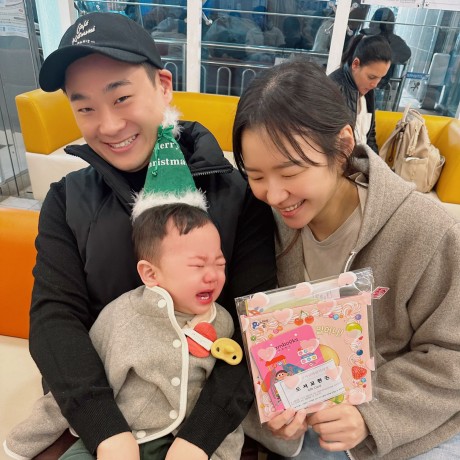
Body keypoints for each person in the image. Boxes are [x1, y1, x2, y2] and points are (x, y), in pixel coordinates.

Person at [26, 11, 276, 460]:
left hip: (208, 422)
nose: (108, 125)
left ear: (162, 85)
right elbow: (53, 320)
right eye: (85, 108)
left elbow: (257, 322)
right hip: (96, 418)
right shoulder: (66, 201)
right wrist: (106, 431)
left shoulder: (239, 195)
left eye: (121, 98)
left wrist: (199, 440)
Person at [232, 59, 460, 460]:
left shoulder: (427, 231)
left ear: (341, 146)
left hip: (394, 431)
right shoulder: (255, 220)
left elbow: (451, 356)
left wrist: (371, 414)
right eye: (256, 175)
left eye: (290, 172)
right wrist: (269, 401)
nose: (274, 195)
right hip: (294, 431)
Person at [5, 203, 245, 460]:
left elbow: (233, 392)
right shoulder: (122, 315)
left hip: (186, 441)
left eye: (220, 264)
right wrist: (25, 441)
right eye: (197, 266)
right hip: (118, 434)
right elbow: (78, 376)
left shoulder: (225, 323)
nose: (212, 276)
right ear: (150, 273)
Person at [328, 35, 391, 153]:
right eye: (371, 77)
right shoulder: (333, 89)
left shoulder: (366, 89)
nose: (375, 84)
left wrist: (375, 161)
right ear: (355, 64)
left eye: (380, 78)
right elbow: (329, 145)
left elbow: (370, 136)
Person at [361, 7, 411, 90]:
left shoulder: (393, 40)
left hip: (376, 82)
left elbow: (405, 54)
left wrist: (384, 58)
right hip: (373, 81)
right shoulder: (366, 35)